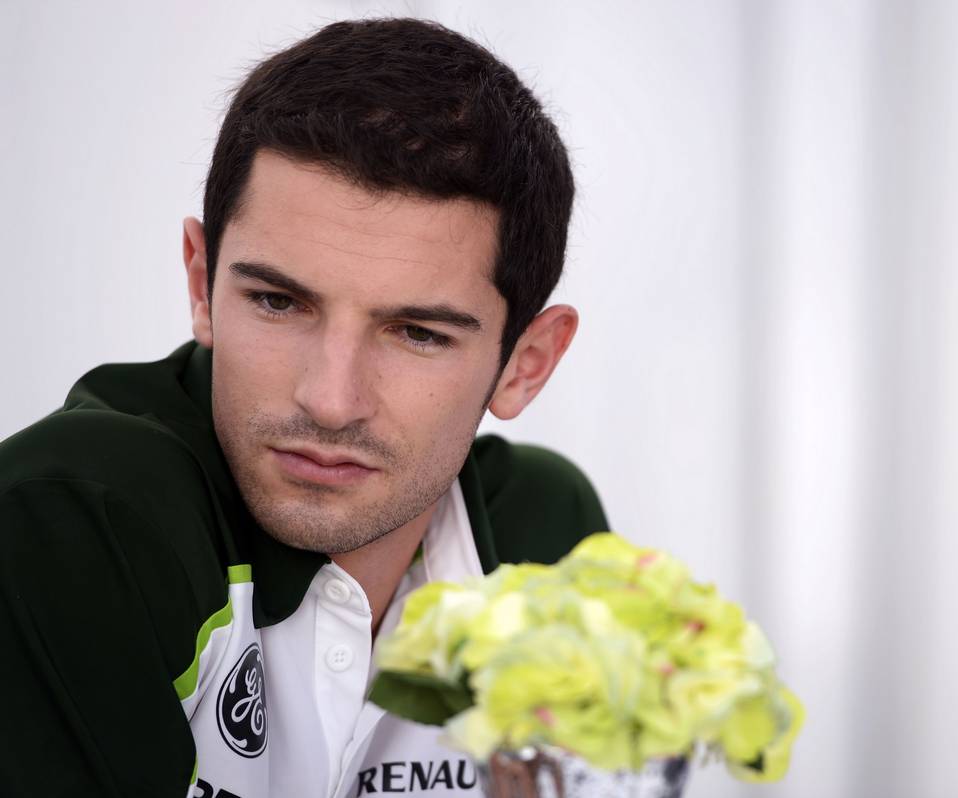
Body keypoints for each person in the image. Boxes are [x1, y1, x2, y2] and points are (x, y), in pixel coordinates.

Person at [0, 18, 608, 798]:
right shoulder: (73, 516)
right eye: (278, 302)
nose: (329, 400)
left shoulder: (545, 535)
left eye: (417, 333)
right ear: (201, 284)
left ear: (526, 364)